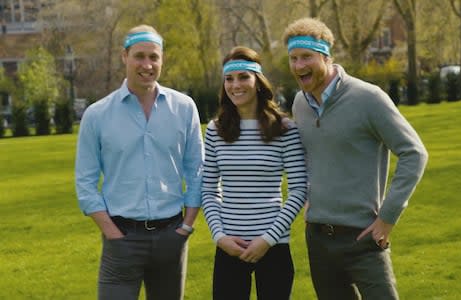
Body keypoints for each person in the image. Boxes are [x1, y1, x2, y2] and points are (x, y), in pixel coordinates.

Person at [282, 18, 428, 299]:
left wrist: (388, 216)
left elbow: (414, 153)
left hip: (364, 236)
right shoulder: (300, 103)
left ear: (325, 56)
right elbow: (310, 155)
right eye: (293, 58)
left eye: (307, 57)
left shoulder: (368, 98)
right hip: (318, 237)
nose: (299, 66)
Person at [75, 24, 204, 300]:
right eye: (139, 56)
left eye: (153, 57)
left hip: (172, 236)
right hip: (122, 238)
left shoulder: (184, 108)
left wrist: (186, 227)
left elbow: (197, 171)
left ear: (162, 59)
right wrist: (112, 233)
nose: (147, 65)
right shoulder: (96, 115)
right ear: (124, 57)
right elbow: (85, 183)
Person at [201, 46, 308, 300]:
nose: (235, 85)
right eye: (229, 79)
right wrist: (220, 236)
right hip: (229, 246)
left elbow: (298, 190)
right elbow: (208, 189)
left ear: (258, 82)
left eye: (243, 77)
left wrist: (268, 239)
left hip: (273, 246)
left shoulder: (285, 129)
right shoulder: (216, 130)